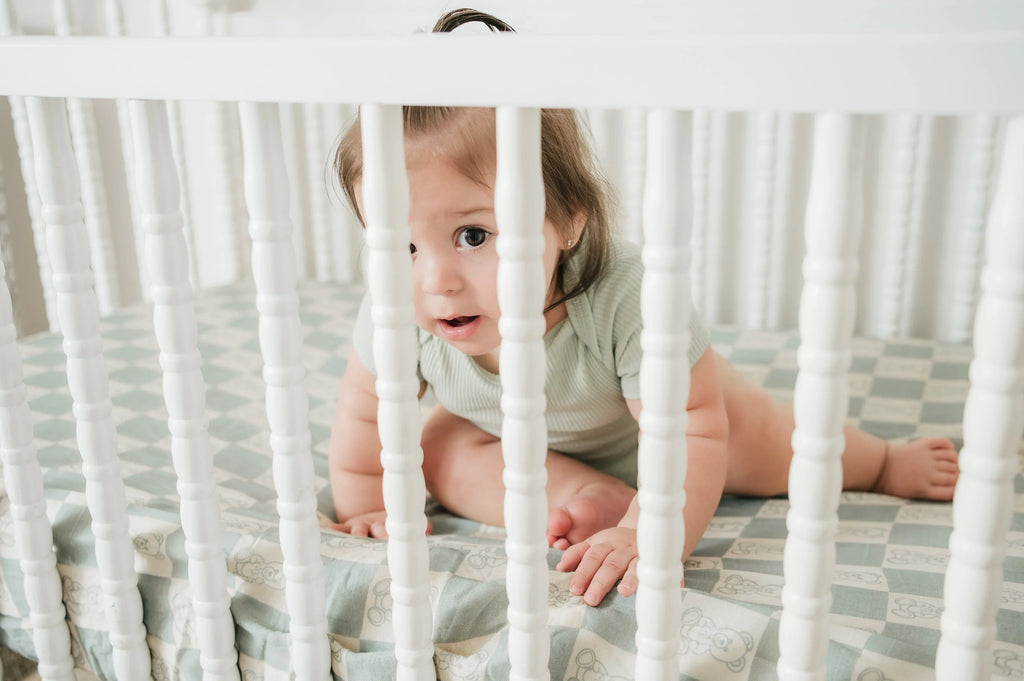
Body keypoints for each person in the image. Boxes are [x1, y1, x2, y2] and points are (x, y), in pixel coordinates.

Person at [328, 9, 960, 608]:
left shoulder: (627, 292)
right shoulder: (395, 309)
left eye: (473, 236)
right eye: (402, 245)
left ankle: (880, 461)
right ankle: (590, 494)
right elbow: (363, 416)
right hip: (527, 439)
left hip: (665, 428)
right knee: (435, 448)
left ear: (568, 220)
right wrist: (364, 502)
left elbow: (691, 428)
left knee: (776, 448)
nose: (435, 281)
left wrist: (650, 532)